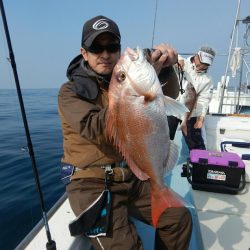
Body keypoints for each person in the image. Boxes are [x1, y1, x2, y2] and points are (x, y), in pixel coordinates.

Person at [58, 15, 192, 250]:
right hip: (91, 184)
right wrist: (127, 95)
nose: (105, 53)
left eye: (112, 47)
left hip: (130, 177)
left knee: (178, 219)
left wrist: (164, 70)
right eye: (96, 47)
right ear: (84, 51)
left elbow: (164, 95)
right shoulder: (70, 92)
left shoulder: (127, 75)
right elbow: (95, 128)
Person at [168, 46, 216, 150]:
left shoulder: (207, 80)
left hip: (190, 112)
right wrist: (177, 59)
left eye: (207, 64)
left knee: (196, 144)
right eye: (202, 62)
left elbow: (204, 99)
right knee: (162, 138)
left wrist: (201, 118)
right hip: (172, 107)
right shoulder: (183, 64)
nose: (203, 66)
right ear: (196, 56)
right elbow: (170, 55)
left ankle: (199, 165)